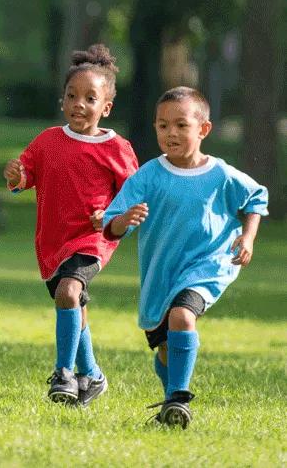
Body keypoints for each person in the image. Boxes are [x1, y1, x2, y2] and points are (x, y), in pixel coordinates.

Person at [102, 87, 268, 428]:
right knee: (164, 346)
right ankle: (171, 406)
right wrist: (124, 219)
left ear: (203, 129)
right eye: (163, 126)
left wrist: (247, 237)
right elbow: (112, 224)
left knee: (182, 315)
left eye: (181, 125)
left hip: (208, 266)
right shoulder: (148, 174)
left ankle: (179, 397)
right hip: (161, 272)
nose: (171, 133)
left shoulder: (221, 174)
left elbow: (254, 198)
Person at [3, 44, 138, 406]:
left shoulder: (117, 148)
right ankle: (91, 375)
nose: (79, 103)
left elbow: (135, 196)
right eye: (72, 96)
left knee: (68, 293)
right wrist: (16, 175)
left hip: (93, 239)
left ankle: (63, 374)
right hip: (52, 241)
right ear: (62, 101)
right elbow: (24, 175)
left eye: (90, 98)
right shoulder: (48, 141)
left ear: (105, 107)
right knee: (72, 301)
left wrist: (111, 216)